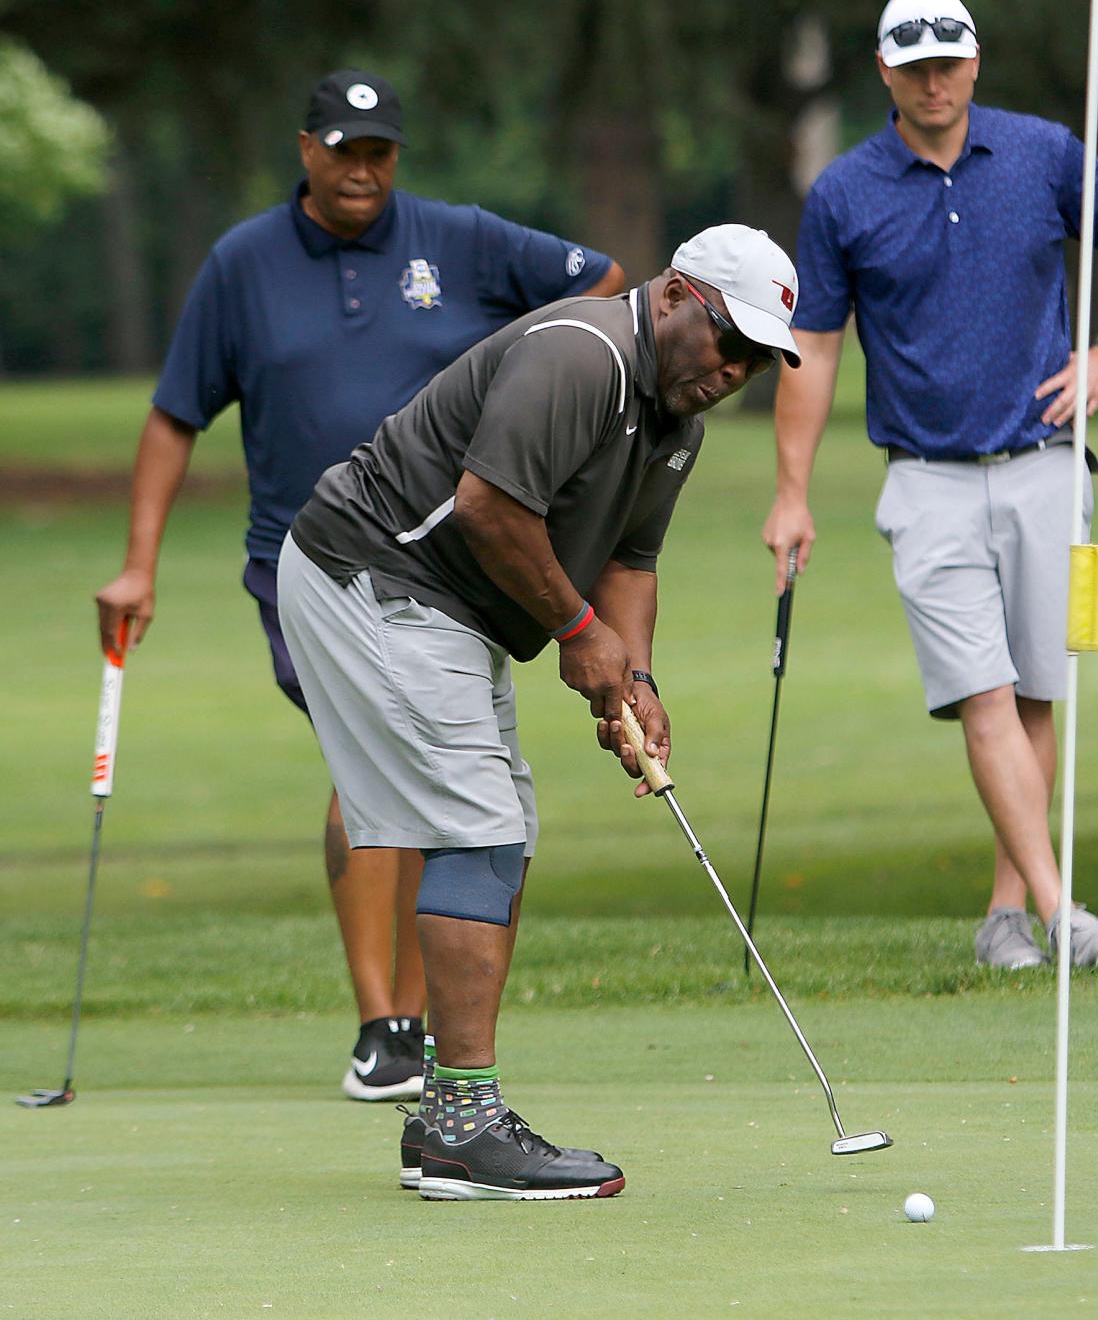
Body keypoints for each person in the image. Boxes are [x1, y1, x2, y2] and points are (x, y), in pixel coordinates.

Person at [94, 69, 626, 1100]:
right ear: (305, 149)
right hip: (310, 561)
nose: (363, 170)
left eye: (380, 152)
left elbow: (601, 286)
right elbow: (175, 415)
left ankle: (414, 1028)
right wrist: (137, 562)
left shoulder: (461, 239)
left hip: (457, 564)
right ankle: (386, 1020)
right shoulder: (242, 265)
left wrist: (524, 402)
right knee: (385, 758)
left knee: (421, 768)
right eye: (344, 150)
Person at [277, 223, 799, 1199]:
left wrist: (632, 679)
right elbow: (487, 508)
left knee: (501, 828)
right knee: (476, 824)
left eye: (757, 362)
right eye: (729, 341)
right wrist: (580, 634)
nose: (734, 371)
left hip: (442, 603)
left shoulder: (674, 423)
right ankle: (467, 1128)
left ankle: (447, 1121)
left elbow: (630, 560)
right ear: (678, 296)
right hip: (373, 568)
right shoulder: (583, 354)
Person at [763, 0, 1098, 970]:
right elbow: (813, 347)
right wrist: (791, 490)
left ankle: (1005, 918)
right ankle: (1064, 912)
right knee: (984, 695)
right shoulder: (845, 193)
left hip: (1045, 462)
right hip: (927, 481)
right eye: (914, 63)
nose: (933, 79)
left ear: (974, 62)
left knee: (1033, 696)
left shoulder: (1042, 152)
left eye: (948, 60)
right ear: (884, 70)